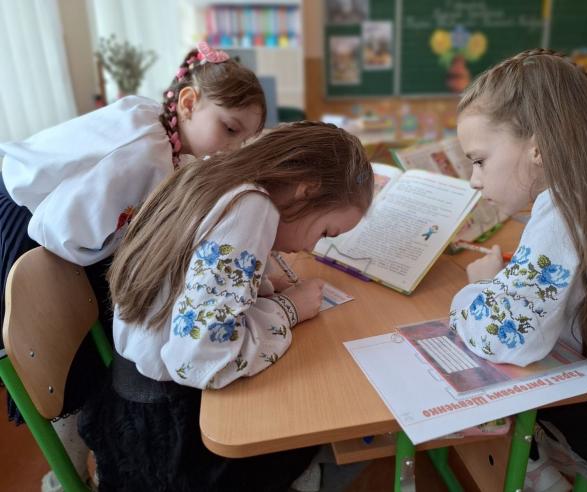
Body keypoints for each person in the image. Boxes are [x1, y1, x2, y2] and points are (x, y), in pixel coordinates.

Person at [0, 41, 265, 489]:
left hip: (64, 230)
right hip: (35, 230)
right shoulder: (144, 152)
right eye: (230, 129)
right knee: (72, 361)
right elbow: (62, 232)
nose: (234, 149)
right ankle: (69, 473)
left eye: (245, 140)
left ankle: (83, 459)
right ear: (188, 103)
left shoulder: (165, 134)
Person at [76, 121, 373, 491]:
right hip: (171, 442)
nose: (311, 248)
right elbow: (201, 359)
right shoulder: (252, 207)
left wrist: (257, 284)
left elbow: (194, 282)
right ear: (306, 191)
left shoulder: (213, 174)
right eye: (325, 231)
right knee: (315, 422)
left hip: (129, 406)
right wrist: (289, 309)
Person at [449, 49, 587, 491]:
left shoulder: (562, 211)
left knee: (490, 407)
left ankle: (540, 474)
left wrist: (478, 289)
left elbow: (510, 336)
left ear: (538, 147)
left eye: (479, 159)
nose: (474, 178)